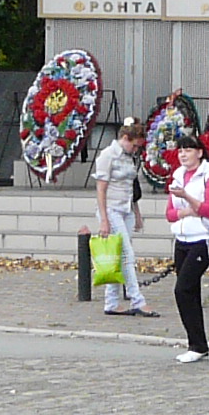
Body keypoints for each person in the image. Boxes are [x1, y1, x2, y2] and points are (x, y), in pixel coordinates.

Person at [164, 137, 209, 364]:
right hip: (182, 239)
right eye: (180, 150)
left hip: (202, 239)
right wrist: (187, 211)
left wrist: (188, 199)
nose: (183, 154)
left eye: (188, 150)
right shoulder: (178, 175)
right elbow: (170, 212)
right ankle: (198, 343)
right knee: (191, 294)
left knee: (183, 289)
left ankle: (196, 345)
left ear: (199, 152)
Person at [92, 117, 150, 315]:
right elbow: (101, 189)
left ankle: (112, 302)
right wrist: (104, 220)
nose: (135, 150)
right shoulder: (108, 155)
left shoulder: (128, 157)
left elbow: (130, 187)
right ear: (125, 138)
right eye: (134, 145)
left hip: (126, 208)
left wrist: (136, 212)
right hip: (111, 209)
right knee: (126, 255)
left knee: (118, 256)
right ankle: (137, 299)